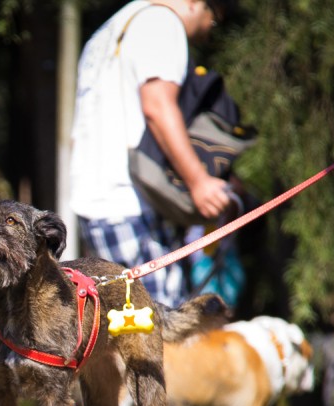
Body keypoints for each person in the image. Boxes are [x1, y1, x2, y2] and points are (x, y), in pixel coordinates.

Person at [70, 0, 238, 306]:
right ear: (194, 3)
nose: (206, 32)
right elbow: (158, 105)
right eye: (212, 19)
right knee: (160, 331)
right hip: (129, 204)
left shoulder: (113, 28)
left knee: (124, 331)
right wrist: (199, 182)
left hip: (99, 205)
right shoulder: (162, 23)